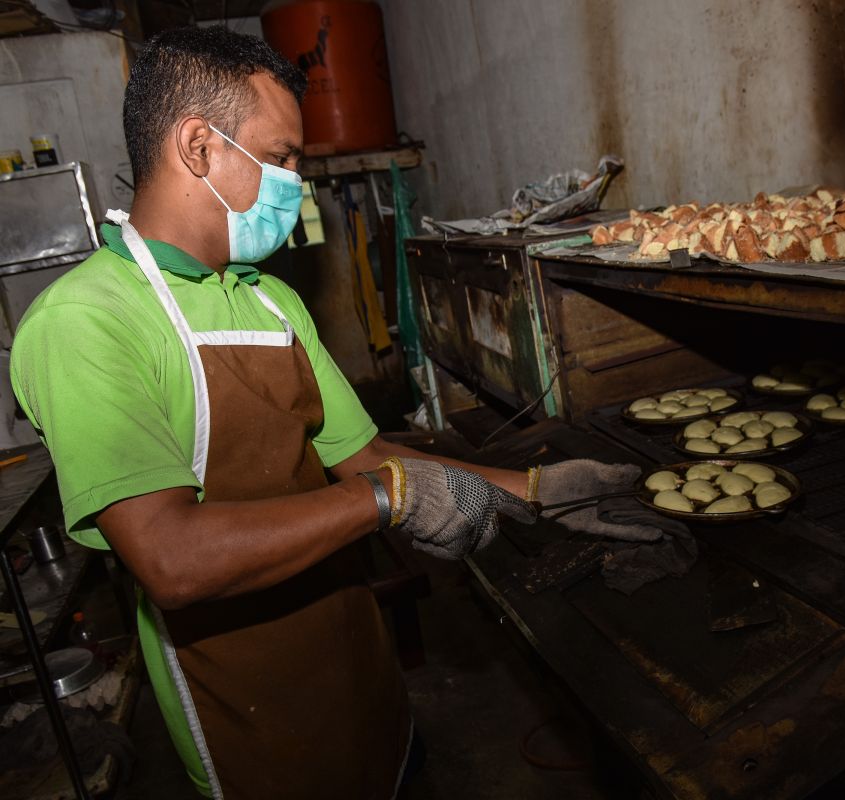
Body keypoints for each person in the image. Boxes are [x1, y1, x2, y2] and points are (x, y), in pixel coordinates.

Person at [10, 26, 658, 800]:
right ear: (196, 146)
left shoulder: (270, 298)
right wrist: (386, 501)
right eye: (280, 158)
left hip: (351, 646)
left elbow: (362, 455)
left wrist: (533, 490)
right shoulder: (85, 320)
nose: (296, 184)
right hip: (244, 701)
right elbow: (172, 559)